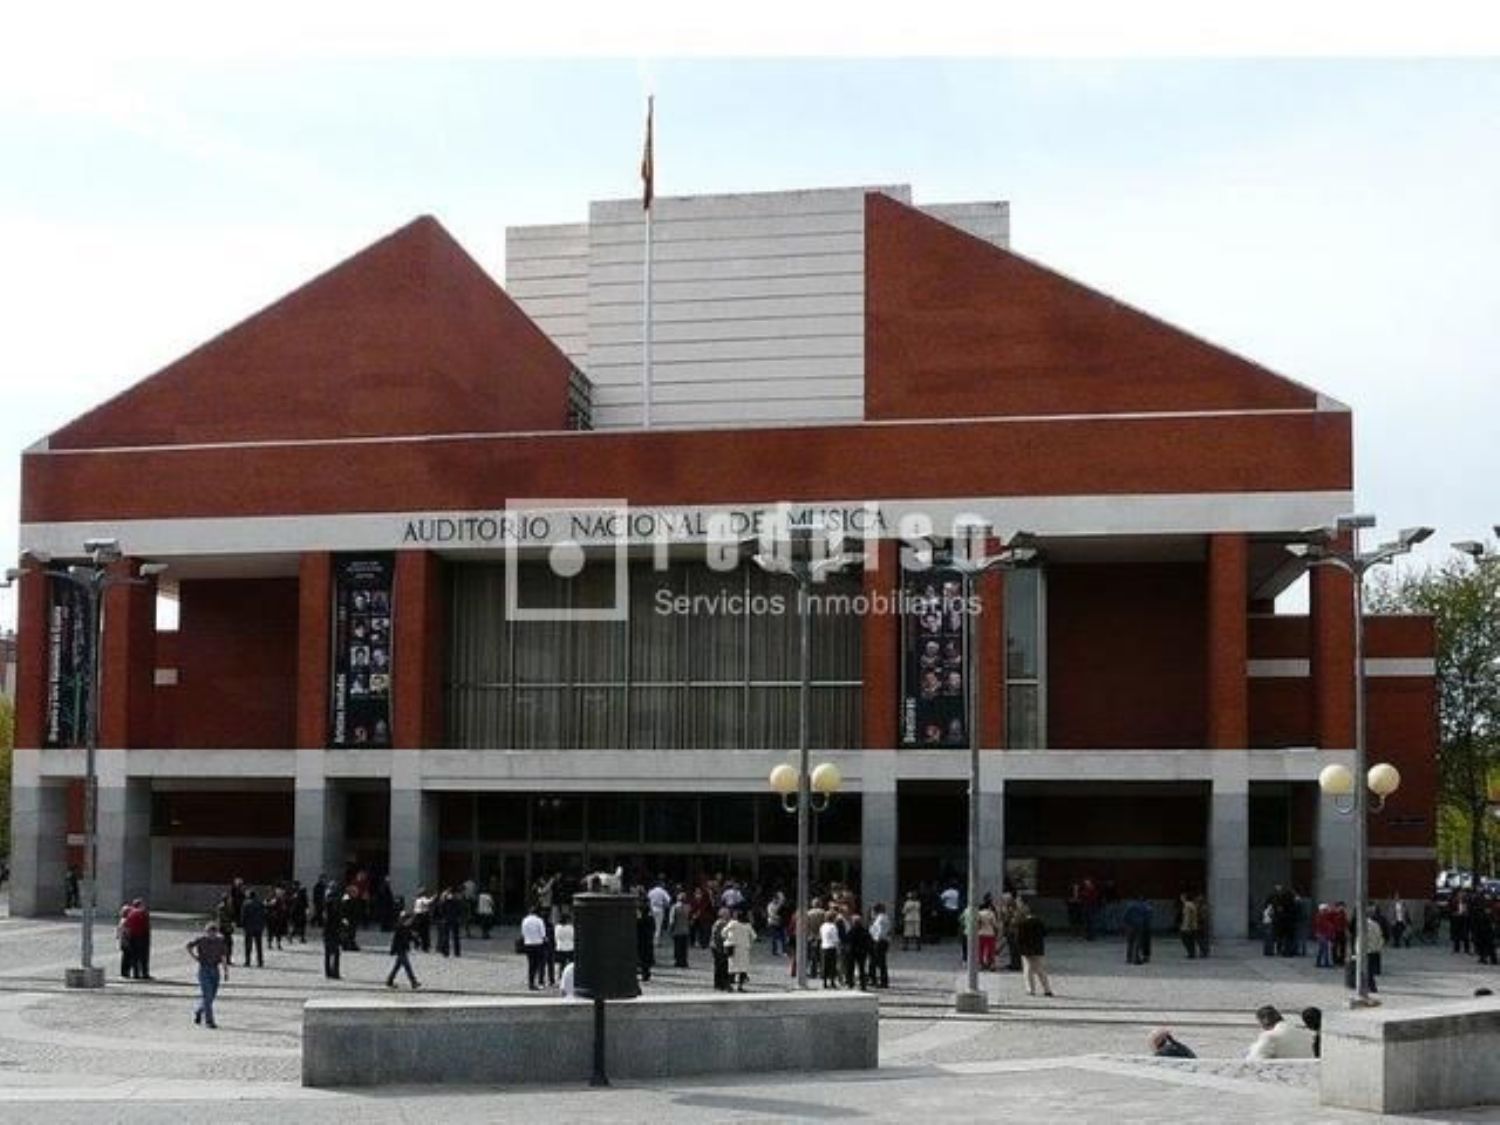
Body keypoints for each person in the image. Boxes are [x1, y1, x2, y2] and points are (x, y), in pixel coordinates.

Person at [186, 922, 229, 1029]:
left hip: (215, 969)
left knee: (211, 996)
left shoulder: (220, 941)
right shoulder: (201, 940)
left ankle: (199, 1011)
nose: (212, 935)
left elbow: (223, 957)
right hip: (204, 969)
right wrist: (195, 957)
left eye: (214, 932)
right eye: (210, 932)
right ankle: (209, 1021)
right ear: (206, 932)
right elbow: (188, 946)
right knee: (207, 995)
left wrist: (226, 971)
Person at [1246, 1004, 1317, 1059]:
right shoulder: (1304, 1033)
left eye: (1260, 1022)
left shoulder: (1270, 1036)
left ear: (1264, 1021)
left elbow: (1254, 1060)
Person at [1016, 904, 1053, 997]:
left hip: (1026, 950)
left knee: (1028, 970)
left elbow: (1019, 938)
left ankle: (1030, 989)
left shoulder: (1022, 923)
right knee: (1041, 970)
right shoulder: (1039, 921)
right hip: (1038, 949)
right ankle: (1047, 989)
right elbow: (1045, 933)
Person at [386, 912, 421, 990]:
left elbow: (411, 937)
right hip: (400, 949)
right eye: (409, 920)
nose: (411, 922)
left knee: (397, 967)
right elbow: (395, 941)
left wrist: (417, 942)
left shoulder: (407, 928)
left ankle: (389, 981)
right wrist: (393, 950)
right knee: (407, 966)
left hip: (404, 949)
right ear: (405, 920)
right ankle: (413, 982)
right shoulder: (399, 928)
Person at [724, 910, 755, 992]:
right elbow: (754, 936)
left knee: (732, 967)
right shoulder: (748, 925)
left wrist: (728, 938)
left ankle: (729, 986)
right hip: (744, 949)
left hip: (733, 948)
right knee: (743, 968)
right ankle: (740, 986)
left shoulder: (732, 923)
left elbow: (723, 932)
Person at [521, 903, 548, 990]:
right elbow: (543, 934)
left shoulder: (525, 920)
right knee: (539, 964)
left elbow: (523, 933)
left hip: (528, 944)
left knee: (531, 964)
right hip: (538, 944)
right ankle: (540, 981)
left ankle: (531, 982)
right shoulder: (539, 921)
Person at [123, 898, 152, 979]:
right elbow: (146, 926)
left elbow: (127, 925)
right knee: (143, 957)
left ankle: (136, 974)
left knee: (134, 957)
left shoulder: (130, 913)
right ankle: (145, 973)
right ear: (140, 905)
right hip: (142, 937)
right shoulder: (143, 913)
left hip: (132, 937)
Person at [240, 890, 266, 968]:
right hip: (258, 926)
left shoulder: (246, 904)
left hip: (249, 927)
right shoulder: (260, 903)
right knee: (259, 945)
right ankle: (260, 961)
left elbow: (243, 916)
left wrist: (242, 925)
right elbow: (264, 915)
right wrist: (263, 925)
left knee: (248, 945)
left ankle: (248, 961)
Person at [869, 903, 892, 989]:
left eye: (872, 911)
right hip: (882, 941)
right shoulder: (883, 918)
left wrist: (876, 939)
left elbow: (880, 931)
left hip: (880, 941)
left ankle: (883, 981)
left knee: (880, 962)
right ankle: (878, 980)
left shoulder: (880, 919)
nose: (872, 913)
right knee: (878, 962)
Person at [710, 908, 733, 992]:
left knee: (721, 966)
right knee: (721, 966)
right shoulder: (720, 923)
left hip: (719, 947)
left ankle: (720, 984)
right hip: (719, 947)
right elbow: (717, 936)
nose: (729, 915)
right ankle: (721, 984)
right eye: (727, 914)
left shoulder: (723, 923)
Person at [322, 892, 343, 979]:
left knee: (328, 953)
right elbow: (336, 921)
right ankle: (334, 972)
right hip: (333, 933)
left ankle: (328, 972)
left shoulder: (326, 909)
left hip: (327, 933)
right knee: (335, 953)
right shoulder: (334, 908)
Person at [819, 912, 842, 988]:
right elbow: (836, 938)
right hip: (832, 947)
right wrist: (838, 947)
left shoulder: (822, 926)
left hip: (824, 947)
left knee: (825, 965)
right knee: (832, 966)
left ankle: (824, 982)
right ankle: (832, 982)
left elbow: (821, 936)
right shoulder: (833, 927)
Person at [669, 892, 692, 969]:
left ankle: (678, 961)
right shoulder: (688, 907)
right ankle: (684, 961)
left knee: (677, 947)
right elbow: (690, 918)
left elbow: (672, 920)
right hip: (685, 930)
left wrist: (670, 929)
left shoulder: (674, 907)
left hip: (677, 930)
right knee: (684, 947)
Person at [648, 878, 672, 946]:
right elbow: (669, 900)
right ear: (661, 885)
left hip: (651, 909)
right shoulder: (663, 891)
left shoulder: (651, 891)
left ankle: (650, 940)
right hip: (659, 909)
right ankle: (656, 942)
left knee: (652, 926)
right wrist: (665, 905)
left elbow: (648, 899)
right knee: (658, 926)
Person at [552, 911, 575, 976]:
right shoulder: (571, 927)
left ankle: (561, 976)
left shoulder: (557, 927)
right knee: (571, 964)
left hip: (560, 947)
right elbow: (573, 937)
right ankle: (570, 975)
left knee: (562, 964)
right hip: (570, 947)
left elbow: (556, 937)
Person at [1179, 892, 1201, 959]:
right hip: (1193, 925)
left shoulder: (1187, 905)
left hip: (1188, 926)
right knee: (1191, 940)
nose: (1181, 899)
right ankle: (1192, 953)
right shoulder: (1192, 904)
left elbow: (1187, 917)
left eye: (1181, 897)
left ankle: (1191, 953)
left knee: (1186, 940)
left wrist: (1186, 926)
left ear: (1184, 898)